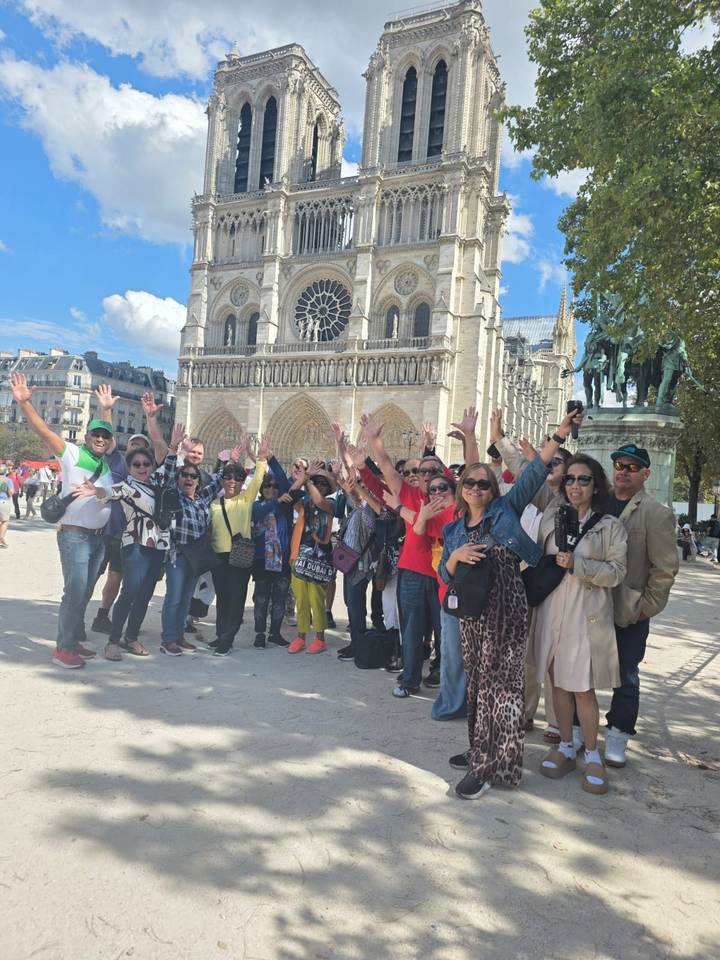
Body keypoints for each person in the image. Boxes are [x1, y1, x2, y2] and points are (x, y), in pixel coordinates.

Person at [440, 408, 580, 800]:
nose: (477, 488)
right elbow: (443, 573)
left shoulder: (506, 509)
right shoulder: (454, 528)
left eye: (484, 484)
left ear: (493, 489)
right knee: (479, 685)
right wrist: (454, 558)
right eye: (470, 483)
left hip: (505, 606)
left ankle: (492, 766)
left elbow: (535, 471)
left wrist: (559, 433)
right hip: (471, 614)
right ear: (462, 488)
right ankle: (479, 749)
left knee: (501, 688)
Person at [360, 410, 479, 699]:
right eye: (421, 472)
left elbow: (476, 471)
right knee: (411, 630)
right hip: (413, 571)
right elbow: (386, 467)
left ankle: (447, 683)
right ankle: (410, 678)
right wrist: (375, 440)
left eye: (433, 473)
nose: (426, 477)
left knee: (446, 633)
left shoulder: (458, 504)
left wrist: (471, 436)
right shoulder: (412, 495)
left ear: (446, 479)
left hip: (446, 578)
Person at [532, 455, 627, 795]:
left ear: (596, 485)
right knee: (557, 682)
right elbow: (535, 555)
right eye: (570, 478)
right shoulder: (551, 517)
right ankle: (567, 746)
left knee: (582, 689)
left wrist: (580, 564)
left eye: (583, 479)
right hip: (552, 610)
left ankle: (592, 752)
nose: (575, 485)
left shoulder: (610, 526)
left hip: (584, 614)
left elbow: (617, 573)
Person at [10, 372, 114, 668]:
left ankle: (73, 639)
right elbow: (44, 431)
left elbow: (108, 493)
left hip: (97, 537)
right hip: (76, 535)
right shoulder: (72, 453)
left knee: (84, 590)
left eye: (105, 436)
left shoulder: (104, 465)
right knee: (75, 590)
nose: (100, 438)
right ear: (87, 437)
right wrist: (25, 403)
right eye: (96, 434)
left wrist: (106, 409)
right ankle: (63, 648)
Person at [605, 443, 679, 766]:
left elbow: (664, 569)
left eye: (632, 467)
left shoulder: (655, 513)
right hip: (591, 605)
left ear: (646, 473)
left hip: (628, 610)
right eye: (619, 465)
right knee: (582, 668)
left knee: (625, 673)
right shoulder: (598, 501)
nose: (623, 471)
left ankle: (619, 733)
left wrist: (645, 607)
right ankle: (578, 728)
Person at [73, 446, 172, 660]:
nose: (142, 468)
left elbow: (169, 463)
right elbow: (109, 492)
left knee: (145, 595)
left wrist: (172, 445)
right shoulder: (127, 486)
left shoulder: (156, 483)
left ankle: (131, 637)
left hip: (158, 545)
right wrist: (95, 491)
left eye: (146, 464)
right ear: (129, 468)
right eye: (137, 464)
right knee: (129, 593)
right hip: (135, 543)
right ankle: (113, 641)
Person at [159, 425, 241, 657]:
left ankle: (179, 636)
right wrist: (173, 447)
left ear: (198, 480)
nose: (189, 478)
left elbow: (218, 480)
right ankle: (168, 639)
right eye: (184, 475)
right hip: (177, 555)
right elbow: (166, 475)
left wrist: (230, 462)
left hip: (196, 557)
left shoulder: (203, 498)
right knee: (174, 598)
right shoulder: (173, 495)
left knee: (185, 600)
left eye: (193, 476)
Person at [208, 436, 270, 657]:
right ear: (222, 480)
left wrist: (261, 459)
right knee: (222, 598)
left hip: (239, 557)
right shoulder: (214, 503)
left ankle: (228, 639)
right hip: (218, 558)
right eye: (227, 477)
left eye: (237, 477)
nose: (232, 481)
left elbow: (258, 480)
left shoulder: (246, 500)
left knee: (236, 599)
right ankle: (220, 634)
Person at [413, 473, 465, 719]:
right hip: (449, 592)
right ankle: (459, 703)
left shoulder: (453, 513)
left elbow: (418, 527)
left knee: (453, 653)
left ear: (454, 489)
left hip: (458, 594)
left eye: (442, 487)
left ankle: (451, 705)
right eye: (431, 490)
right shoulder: (444, 514)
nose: (435, 493)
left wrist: (408, 510)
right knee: (454, 652)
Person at [288, 461, 336, 655]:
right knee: (301, 599)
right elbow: (291, 496)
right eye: (316, 482)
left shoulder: (331, 503)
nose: (318, 485)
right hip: (300, 554)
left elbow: (319, 502)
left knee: (317, 599)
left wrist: (307, 481)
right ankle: (300, 636)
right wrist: (303, 478)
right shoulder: (304, 503)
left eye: (322, 483)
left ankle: (319, 638)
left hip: (320, 557)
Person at [251, 456, 294, 648]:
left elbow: (284, 481)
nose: (271, 489)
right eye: (267, 486)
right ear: (261, 489)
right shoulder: (257, 506)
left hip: (282, 561)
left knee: (279, 599)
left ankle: (275, 633)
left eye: (274, 486)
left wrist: (272, 459)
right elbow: (262, 511)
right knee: (261, 598)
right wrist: (277, 500)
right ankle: (260, 633)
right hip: (261, 560)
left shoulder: (284, 506)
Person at [0, 465, 12, 547]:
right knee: (4, 521)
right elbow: (11, 492)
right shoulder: (7, 480)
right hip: (4, 501)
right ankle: (1, 537)